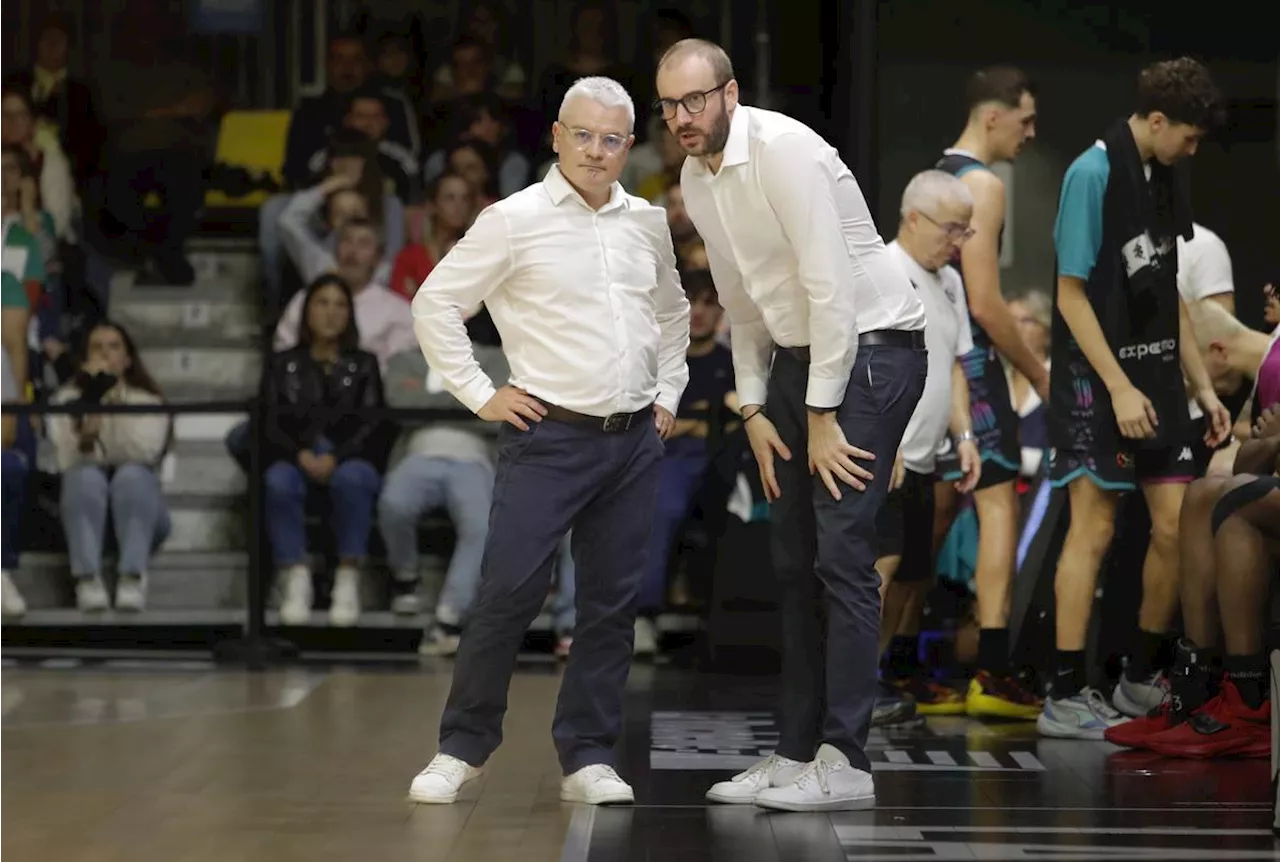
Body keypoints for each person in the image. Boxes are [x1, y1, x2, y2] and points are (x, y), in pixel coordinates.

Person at [656, 39, 927, 811]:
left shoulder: (785, 151)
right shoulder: (694, 176)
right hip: (800, 361)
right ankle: (796, 750)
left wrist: (817, 417)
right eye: (670, 104)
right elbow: (742, 299)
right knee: (791, 559)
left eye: (695, 99)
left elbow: (831, 288)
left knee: (842, 554)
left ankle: (845, 761)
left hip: (873, 350)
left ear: (729, 93)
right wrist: (750, 405)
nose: (682, 116)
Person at [406, 76, 689, 806]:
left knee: (609, 605)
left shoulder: (648, 222)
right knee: (507, 593)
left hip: (632, 442)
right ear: (557, 137)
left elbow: (674, 312)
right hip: (548, 435)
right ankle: (461, 748)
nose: (597, 151)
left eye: (612, 139)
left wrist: (668, 394)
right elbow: (436, 305)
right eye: (584, 135)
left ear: (629, 145)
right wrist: (482, 394)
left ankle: (588, 755)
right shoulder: (513, 219)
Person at [1040, 57, 1231, 739]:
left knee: (1177, 527)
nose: (1193, 147)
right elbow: (1069, 295)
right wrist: (1117, 386)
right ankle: (1063, 692)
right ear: (1155, 120)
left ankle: (1137, 676)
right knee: (1091, 530)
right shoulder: (1091, 174)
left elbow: (1168, 290)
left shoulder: (1162, 177)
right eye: (1188, 134)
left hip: (1155, 379)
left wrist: (1202, 387)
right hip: (1098, 381)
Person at [931, 67, 1046, 718]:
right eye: (1026, 120)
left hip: (930, 362)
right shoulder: (983, 185)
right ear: (993, 116)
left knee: (937, 511)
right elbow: (986, 304)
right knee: (997, 502)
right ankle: (993, 672)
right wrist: (1039, 370)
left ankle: (901, 666)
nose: (1031, 133)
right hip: (969, 364)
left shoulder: (939, 174)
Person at [876, 170, 982, 719]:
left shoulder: (951, 282)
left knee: (912, 578)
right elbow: (860, 368)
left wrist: (964, 435)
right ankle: (848, 691)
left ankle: (878, 681)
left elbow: (956, 367)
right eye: (951, 229)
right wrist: (882, 440)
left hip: (924, 458)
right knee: (880, 573)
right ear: (912, 219)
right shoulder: (881, 272)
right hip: (884, 458)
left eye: (966, 232)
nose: (958, 242)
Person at [261, 275, 389, 626]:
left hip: (347, 456)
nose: (331, 313)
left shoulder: (364, 363)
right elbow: (270, 422)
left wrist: (337, 456)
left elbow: (373, 423)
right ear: (306, 312)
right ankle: (295, 575)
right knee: (277, 482)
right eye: (322, 303)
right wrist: (299, 453)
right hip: (294, 455)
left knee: (356, 479)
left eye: (340, 305)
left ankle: (348, 576)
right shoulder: (282, 363)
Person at [47, 322, 171, 612]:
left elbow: (144, 452)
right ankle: (88, 578)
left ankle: (132, 576)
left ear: (127, 360)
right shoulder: (66, 400)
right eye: (97, 348)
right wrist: (87, 424)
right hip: (86, 518)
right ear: (84, 359)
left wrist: (108, 407)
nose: (105, 355)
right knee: (83, 476)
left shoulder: (149, 401)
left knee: (132, 475)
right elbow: (64, 459)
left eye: (114, 347)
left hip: (141, 517)